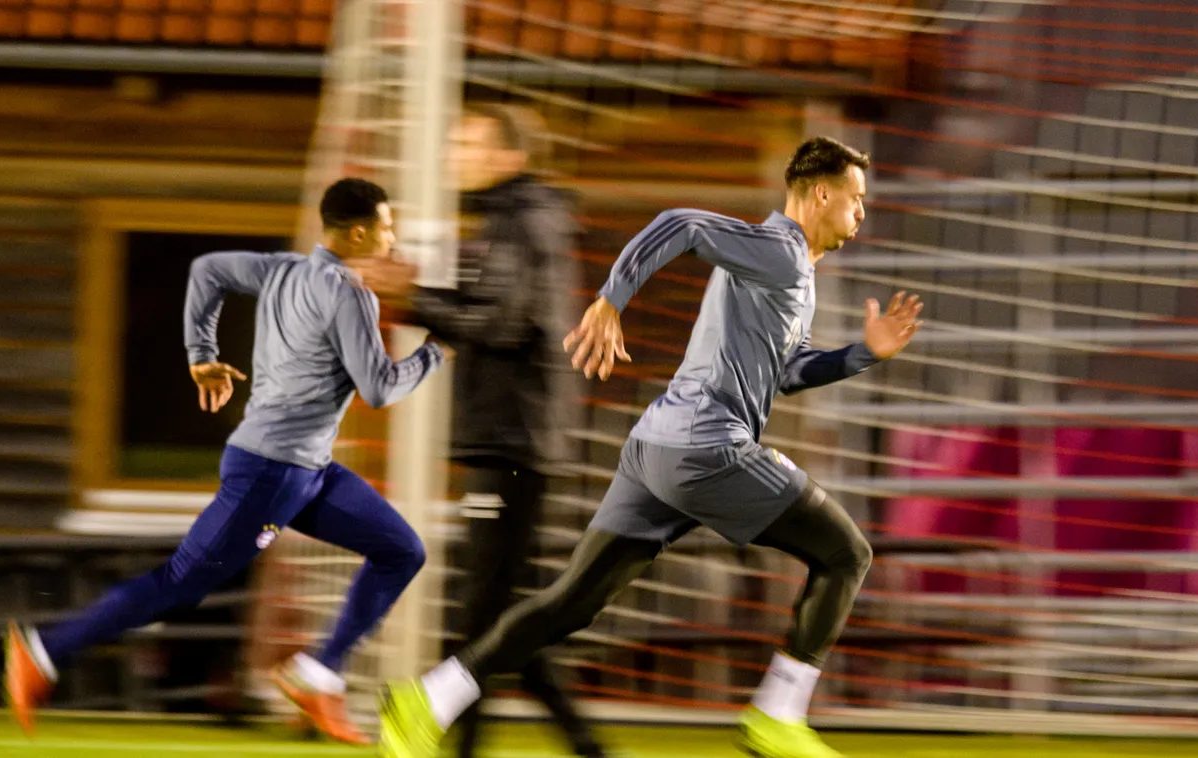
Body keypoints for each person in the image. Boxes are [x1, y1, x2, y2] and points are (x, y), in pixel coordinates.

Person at [377, 136, 924, 758]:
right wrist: (613, 299)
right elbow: (680, 222)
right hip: (707, 451)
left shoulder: (784, 269)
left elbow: (787, 372)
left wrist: (863, 354)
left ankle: (431, 699)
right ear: (822, 193)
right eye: (856, 200)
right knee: (846, 553)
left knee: (570, 603)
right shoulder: (779, 250)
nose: (861, 215)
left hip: (655, 450)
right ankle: (778, 713)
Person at [4, 178, 445, 746]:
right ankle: (42, 653)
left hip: (305, 471)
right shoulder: (348, 293)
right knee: (179, 585)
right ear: (359, 232)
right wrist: (436, 352)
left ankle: (317, 675)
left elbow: (208, 269)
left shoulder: (284, 270)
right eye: (387, 225)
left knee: (400, 549)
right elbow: (380, 388)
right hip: (271, 473)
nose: (392, 235)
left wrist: (201, 356)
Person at [354, 104, 607, 758]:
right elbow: (486, 312)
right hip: (512, 437)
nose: (451, 154)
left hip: (513, 440)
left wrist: (410, 298)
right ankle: (586, 746)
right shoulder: (511, 221)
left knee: (480, 609)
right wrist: (414, 290)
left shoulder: (522, 223)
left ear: (507, 157)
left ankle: (456, 744)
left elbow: (500, 326)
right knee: (498, 614)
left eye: (465, 143)